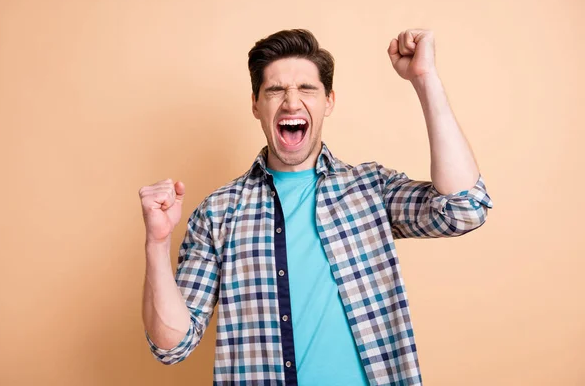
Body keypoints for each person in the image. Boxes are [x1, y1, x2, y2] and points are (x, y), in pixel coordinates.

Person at [138, 28, 493, 385]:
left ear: (329, 101)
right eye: (275, 90)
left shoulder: (370, 190)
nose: (291, 102)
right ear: (255, 105)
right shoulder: (218, 213)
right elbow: (172, 345)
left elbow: (464, 208)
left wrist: (425, 78)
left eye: (307, 89)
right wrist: (157, 243)